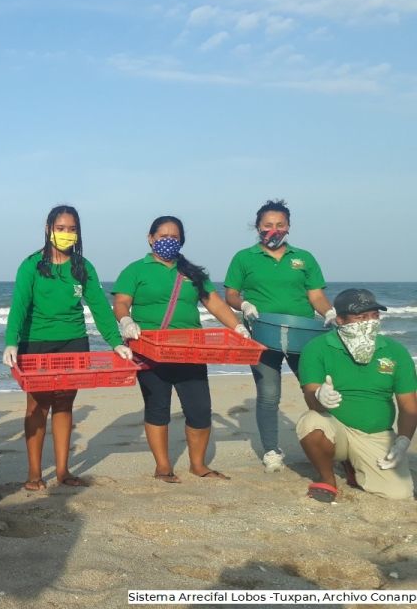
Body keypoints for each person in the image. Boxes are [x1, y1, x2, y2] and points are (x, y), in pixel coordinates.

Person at [3, 205, 133, 491]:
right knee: (37, 405)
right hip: (36, 342)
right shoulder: (31, 265)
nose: (66, 233)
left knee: (64, 402)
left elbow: (99, 306)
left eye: (71, 229)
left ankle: (63, 470)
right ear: (49, 229)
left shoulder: (83, 267)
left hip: (73, 342)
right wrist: (11, 341)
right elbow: (20, 306)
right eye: (60, 228)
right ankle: (34, 473)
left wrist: (116, 342)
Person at [113, 216, 251, 483]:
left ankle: (198, 465)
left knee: (199, 409)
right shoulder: (135, 270)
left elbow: (215, 303)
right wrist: (126, 321)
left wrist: (237, 328)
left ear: (182, 241)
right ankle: (163, 466)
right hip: (151, 350)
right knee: (157, 407)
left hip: (191, 350)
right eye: (162, 236)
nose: (168, 241)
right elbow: (121, 302)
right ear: (150, 238)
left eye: (174, 237)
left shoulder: (192, 273)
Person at [223, 199, 335, 473]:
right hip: (263, 334)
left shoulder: (304, 258)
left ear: (288, 227)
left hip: (303, 334)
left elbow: (316, 295)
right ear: (258, 227)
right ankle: (272, 450)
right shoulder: (244, 257)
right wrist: (244, 305)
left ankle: (331, 441)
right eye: (267, 225)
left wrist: (329, 312)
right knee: (269, 395)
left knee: (317, 390)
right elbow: (231, 294)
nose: (273, 230)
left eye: (280, 225)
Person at [297, 289, 416, 502]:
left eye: (374, 316)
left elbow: (409, 403)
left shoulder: (395, 351)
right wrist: (319, 395)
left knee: (399, 494)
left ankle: (353, 466)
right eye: (360, 317)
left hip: (376, 435)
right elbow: (311, 397)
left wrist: (404, 440)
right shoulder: (317, 348)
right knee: (311, 423)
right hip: (336, 429)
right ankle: (327, 479)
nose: (369, 322)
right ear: (340, 320)